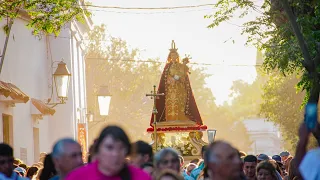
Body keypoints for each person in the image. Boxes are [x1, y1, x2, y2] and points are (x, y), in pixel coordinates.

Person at [66, 125, 151, 180]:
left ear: (127, 152)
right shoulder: (78, 177)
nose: (115, 154)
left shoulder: (140, 177)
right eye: (109, 148)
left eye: (121, 148)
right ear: (98, 150)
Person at [150, 40, 203, 124]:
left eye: (175, 55)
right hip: (170, 89)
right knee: (171, 104)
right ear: (170, 56)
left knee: (180, 103)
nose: (173, 57)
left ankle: (180, 117)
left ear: (177, 56)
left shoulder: (181, 66)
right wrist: (172, 79)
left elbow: (183, 76)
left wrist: (178, 76)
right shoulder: (168, 66)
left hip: (180, 89)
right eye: (172, 55)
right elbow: (165, 77)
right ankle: (170, 118)